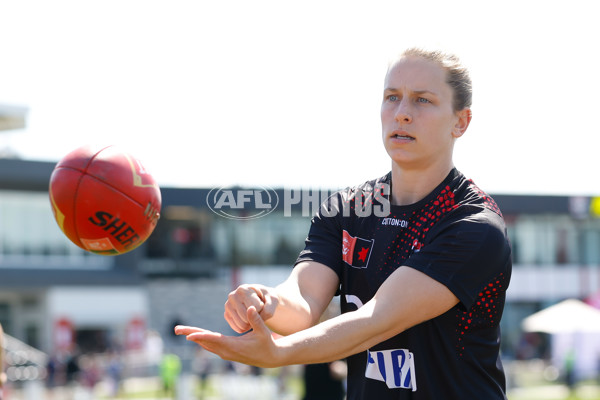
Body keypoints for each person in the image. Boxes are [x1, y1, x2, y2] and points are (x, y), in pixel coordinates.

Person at [175, 47, 512, 399]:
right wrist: (265, 302)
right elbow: (304, 300)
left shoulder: (474, 225)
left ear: (461, 121)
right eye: (391, 97)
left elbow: (375, 320)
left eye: (422, 100)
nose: (402, 114)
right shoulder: (348, 209)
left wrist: (279, 353)